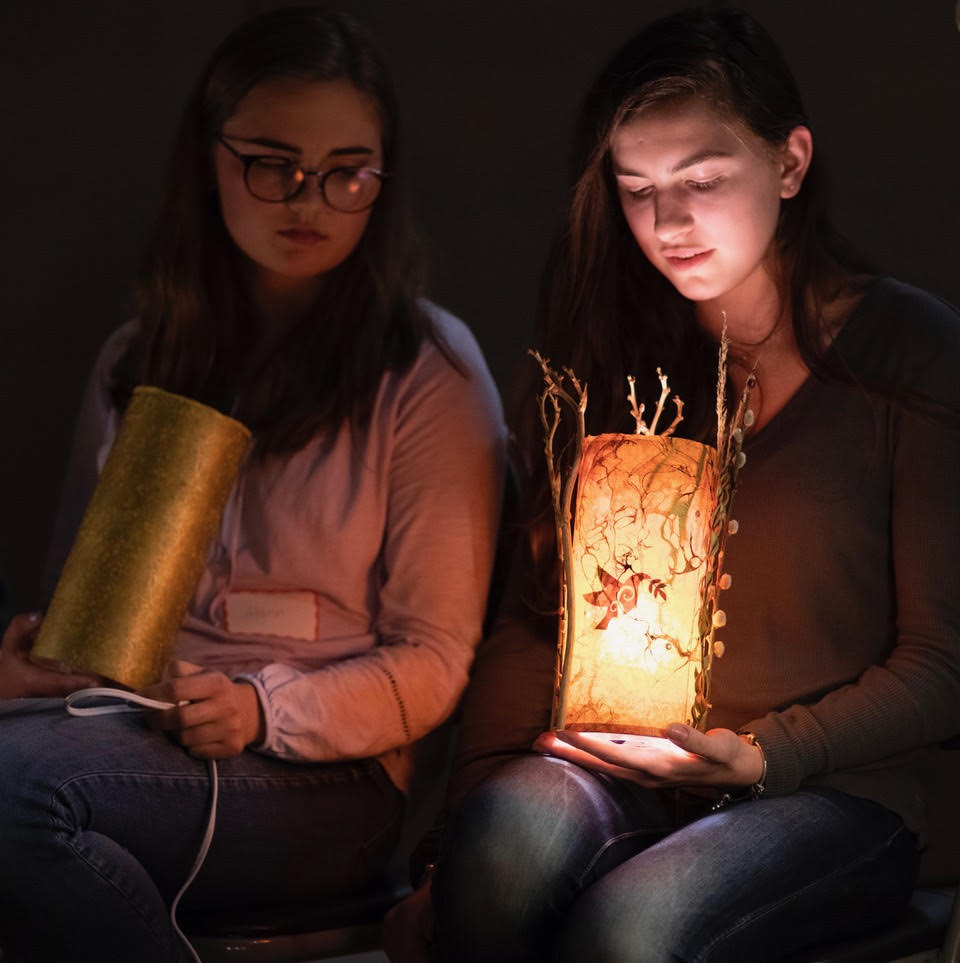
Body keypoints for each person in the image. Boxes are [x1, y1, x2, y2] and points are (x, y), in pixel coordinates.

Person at [384, 8, 960, 962]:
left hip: (838, 790)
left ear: (790, 162)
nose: (669, 222)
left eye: (703, 179)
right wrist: (447, 863)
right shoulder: (624, 358)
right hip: (621, 763)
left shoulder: (910, 355)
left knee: (632, 929)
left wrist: (767, 752)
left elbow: (945, 662)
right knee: (496, 866)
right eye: (639, 187)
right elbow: (537, 619)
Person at [0, 7, 504, 962]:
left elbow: (436, 659)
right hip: (125, 728)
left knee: (18, 798)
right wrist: (29, 668)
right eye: (271, 163)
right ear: (209, 159)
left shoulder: (426, 369)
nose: (306, 199)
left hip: (321, 773)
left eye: (347, 171)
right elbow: (83, 610)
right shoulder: (140, 356)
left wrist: (269, 707)